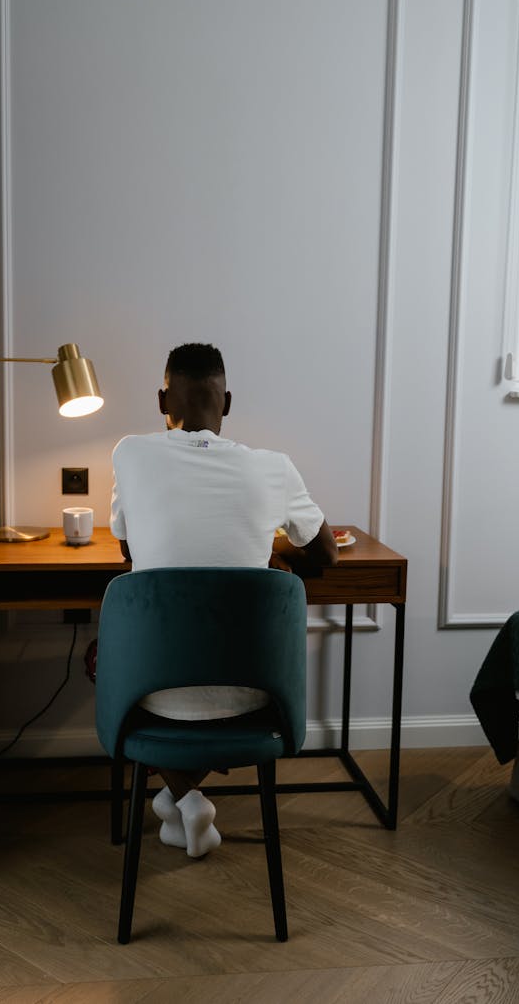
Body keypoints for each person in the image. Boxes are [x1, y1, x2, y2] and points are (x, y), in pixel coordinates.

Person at [110, 343, 338, 858]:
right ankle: (185, 801)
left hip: (152, 689)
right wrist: (270, 551)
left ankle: (183, 798)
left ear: (161, 400)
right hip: (256, 692)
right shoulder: (274, 467)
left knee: (104, 658)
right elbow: (325, 554)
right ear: (228, 402)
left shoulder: (129, 453)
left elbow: (128, 546)